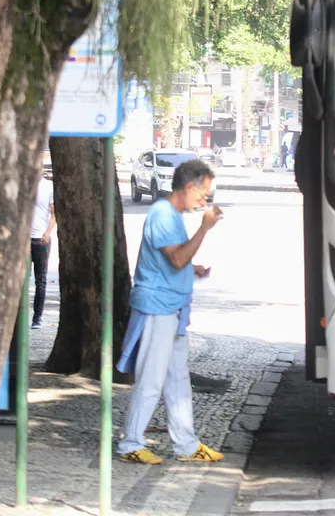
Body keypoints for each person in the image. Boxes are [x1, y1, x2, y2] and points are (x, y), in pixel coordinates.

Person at [116, 159, 224, 465]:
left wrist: (194, 268)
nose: (205, 199)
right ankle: (131, 444)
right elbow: (176, 259)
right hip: (157, 308)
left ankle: (187, 445)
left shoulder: (172, 215)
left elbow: (175, 260)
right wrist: (204, 228)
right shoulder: (162, 214)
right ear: (188, 187)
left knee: (178, 380)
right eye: (204, 193)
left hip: (173, 309)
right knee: (151, 380)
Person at [29, 167, 55, 329]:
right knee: (21, 281)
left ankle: (37, 317)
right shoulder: (22, 184)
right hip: (24, 240)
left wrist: (47, 232)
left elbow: (54, 213)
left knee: (41, 280)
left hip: (41, 240)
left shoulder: (48, 187)